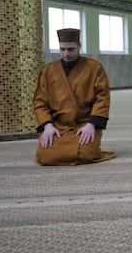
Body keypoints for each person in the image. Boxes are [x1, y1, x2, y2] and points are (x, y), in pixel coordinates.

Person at [33, 28, 116, 166]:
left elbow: (102, 98)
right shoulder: (48, 71)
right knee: (45, 155)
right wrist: (47, 125)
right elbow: (40, 101)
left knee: (87, 153)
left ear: (79, 46)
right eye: (62, 49)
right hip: (58, 126)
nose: (66, 54)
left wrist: (91, 124)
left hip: (85, 124)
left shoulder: (94, 68)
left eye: (71, 49)